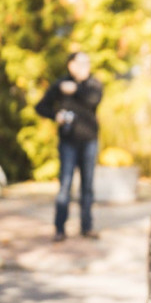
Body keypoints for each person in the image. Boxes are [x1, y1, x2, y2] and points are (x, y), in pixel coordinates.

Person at [35, 51, 103, 242]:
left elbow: (93, 100)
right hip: (68, 143)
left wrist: (75, 90)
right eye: (81, 63)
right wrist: (55, 115)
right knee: (65, 186)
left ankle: (87, 227)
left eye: (87, 62)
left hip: (89, 141)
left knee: (87, 186)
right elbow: (40, 106)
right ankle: (59, 229)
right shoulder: (60, 84)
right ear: (71, 65)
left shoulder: (93, 84)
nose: (85, 66)